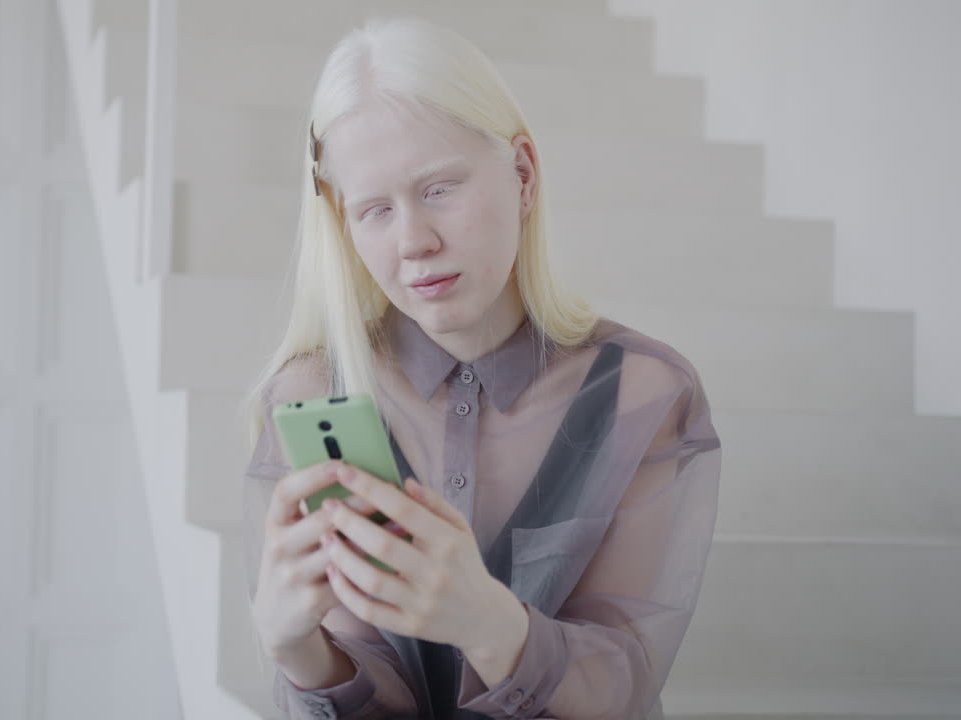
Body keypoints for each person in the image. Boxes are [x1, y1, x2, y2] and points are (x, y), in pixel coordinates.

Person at [239, 16, 721, 720]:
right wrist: (296, 649)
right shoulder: (310, 397)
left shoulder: (643, 393)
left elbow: (621, 687)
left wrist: (490, 624)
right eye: (374, 209)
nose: (414, 242)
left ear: (523, 176)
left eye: (439, 188)